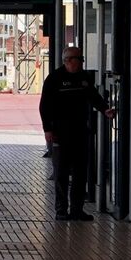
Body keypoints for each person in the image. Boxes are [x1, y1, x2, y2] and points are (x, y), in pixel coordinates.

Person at [39, 45, 114, 221]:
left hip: (80, 131)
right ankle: (61, 210)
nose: (81, 62)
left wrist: (105, 110)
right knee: (62, 173)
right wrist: (47, 129)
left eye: (82, 59)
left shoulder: (84, 78)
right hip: (60, 133)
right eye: (79, 59)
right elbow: (44, 106)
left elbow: (94, 97)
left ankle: (77, 210)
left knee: (81, 172)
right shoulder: (54, 79)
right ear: (68, 61)